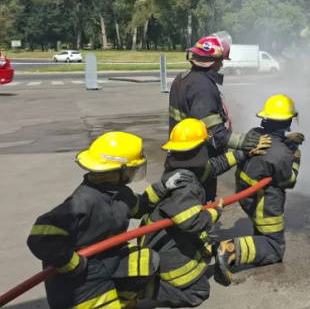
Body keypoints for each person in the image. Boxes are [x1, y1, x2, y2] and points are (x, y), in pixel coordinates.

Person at [27, 132, 192, 309]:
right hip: (80, 283)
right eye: (131, 169)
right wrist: (75, 264)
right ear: (116, 171)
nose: (133, 173)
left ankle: (124, 299)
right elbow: (40, 237)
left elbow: (141, 206)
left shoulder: (119, 193)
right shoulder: (84, 202)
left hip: (105, 260)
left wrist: (164, 187)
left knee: (146, 260)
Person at [140, 119, 269, 307]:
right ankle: (143, 290)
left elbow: (215, 165)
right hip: (167, 251)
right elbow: (192, 222)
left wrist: (243, 153)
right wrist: (215, 211)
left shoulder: (180, 169)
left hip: (159, 238)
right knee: (199, 292)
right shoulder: (186, 185)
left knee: (202, 256)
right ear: (200, 149)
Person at [215, 94, 304, 286]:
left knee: (261, 233)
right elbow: (289, 181)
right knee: (275, 247)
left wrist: (284, 143)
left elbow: (270, 149)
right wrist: (295, 156)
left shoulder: (255, 134)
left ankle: (255, 243)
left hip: (248, 196)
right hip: (266, 205)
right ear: (288, 121)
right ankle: (230, 249)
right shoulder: (281, 154)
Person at [168, 31, 253, 203]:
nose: (222, 64)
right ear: (213, 62)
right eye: (221, 60)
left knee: (183, 199)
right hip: (199, 156)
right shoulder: (203, 86)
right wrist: (245, 142)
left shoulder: (183, 78)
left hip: (181, 152)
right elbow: (213, 130)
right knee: (198, 201)